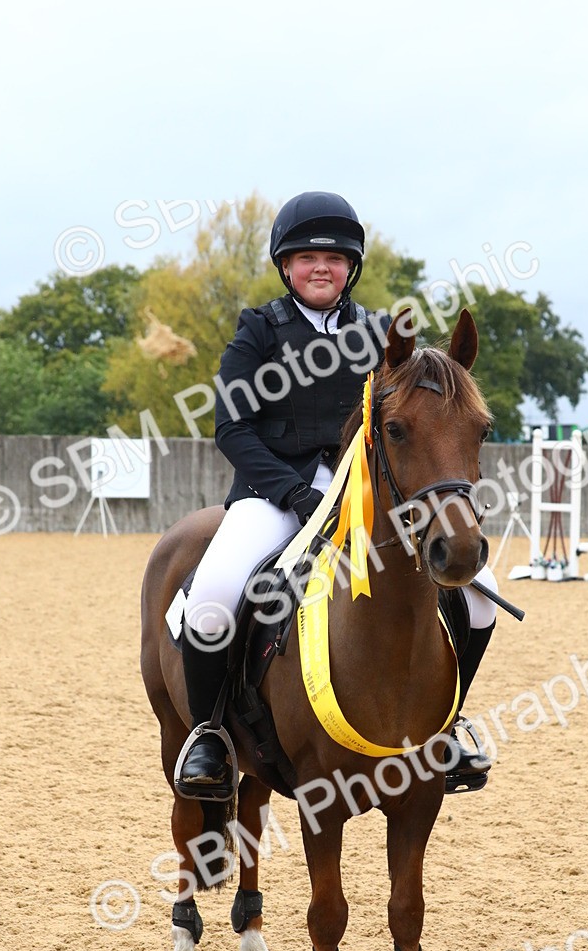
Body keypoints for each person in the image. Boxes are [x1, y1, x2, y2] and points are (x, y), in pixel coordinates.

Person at [176, 190, 497, 800]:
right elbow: (231, 428)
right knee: (213, 597)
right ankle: (211, 735)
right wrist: (292, 491)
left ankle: (448, 725)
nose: (320, 266)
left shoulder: (380, 336)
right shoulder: (258, 331)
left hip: (363, 495)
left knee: (483, 598)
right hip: (271, 495)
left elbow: (417, 415)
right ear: (285, 266)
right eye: (305, 256)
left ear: (351, 268)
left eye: (334, 257)